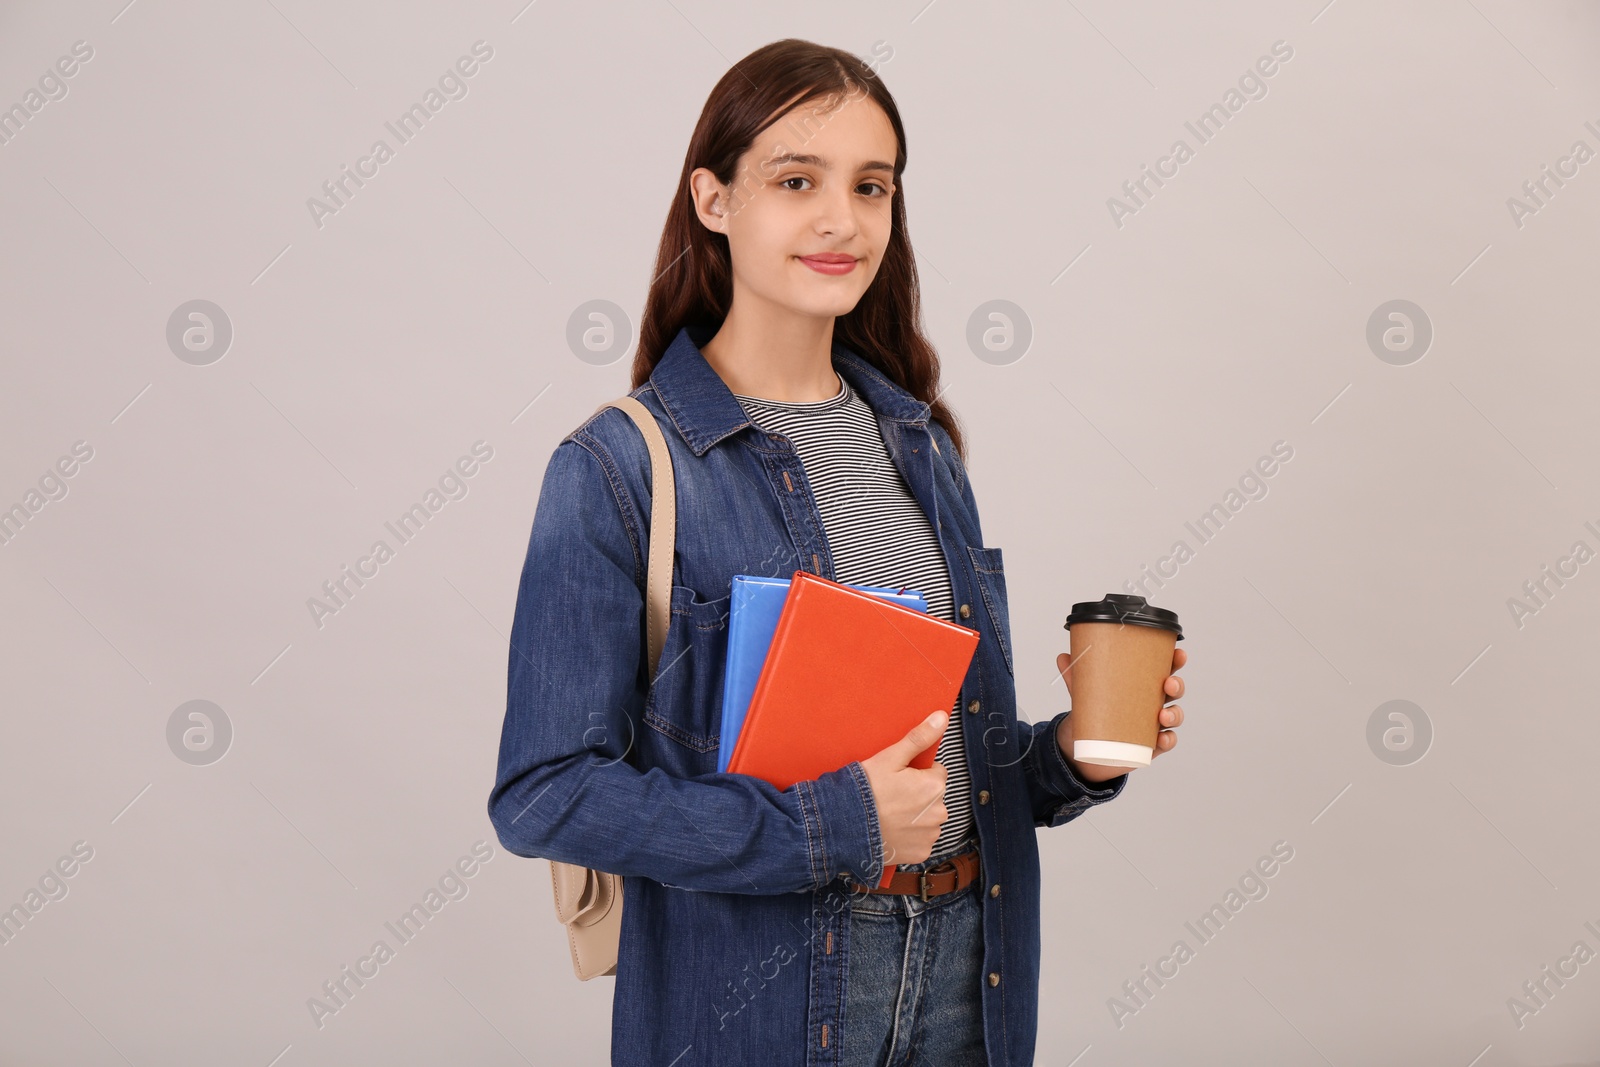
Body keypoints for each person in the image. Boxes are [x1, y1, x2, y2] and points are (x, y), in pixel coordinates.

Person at [487, 37, 1187, 1066]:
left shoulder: (921, 445)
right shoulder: (617, 469)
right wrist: (831, 824)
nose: (840, 220)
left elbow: (950, 771)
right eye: (795, 180)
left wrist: (1070, 755)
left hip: (968, 976)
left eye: (872, 186)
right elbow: (545, 791)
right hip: (761, 997)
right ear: (714, 200)